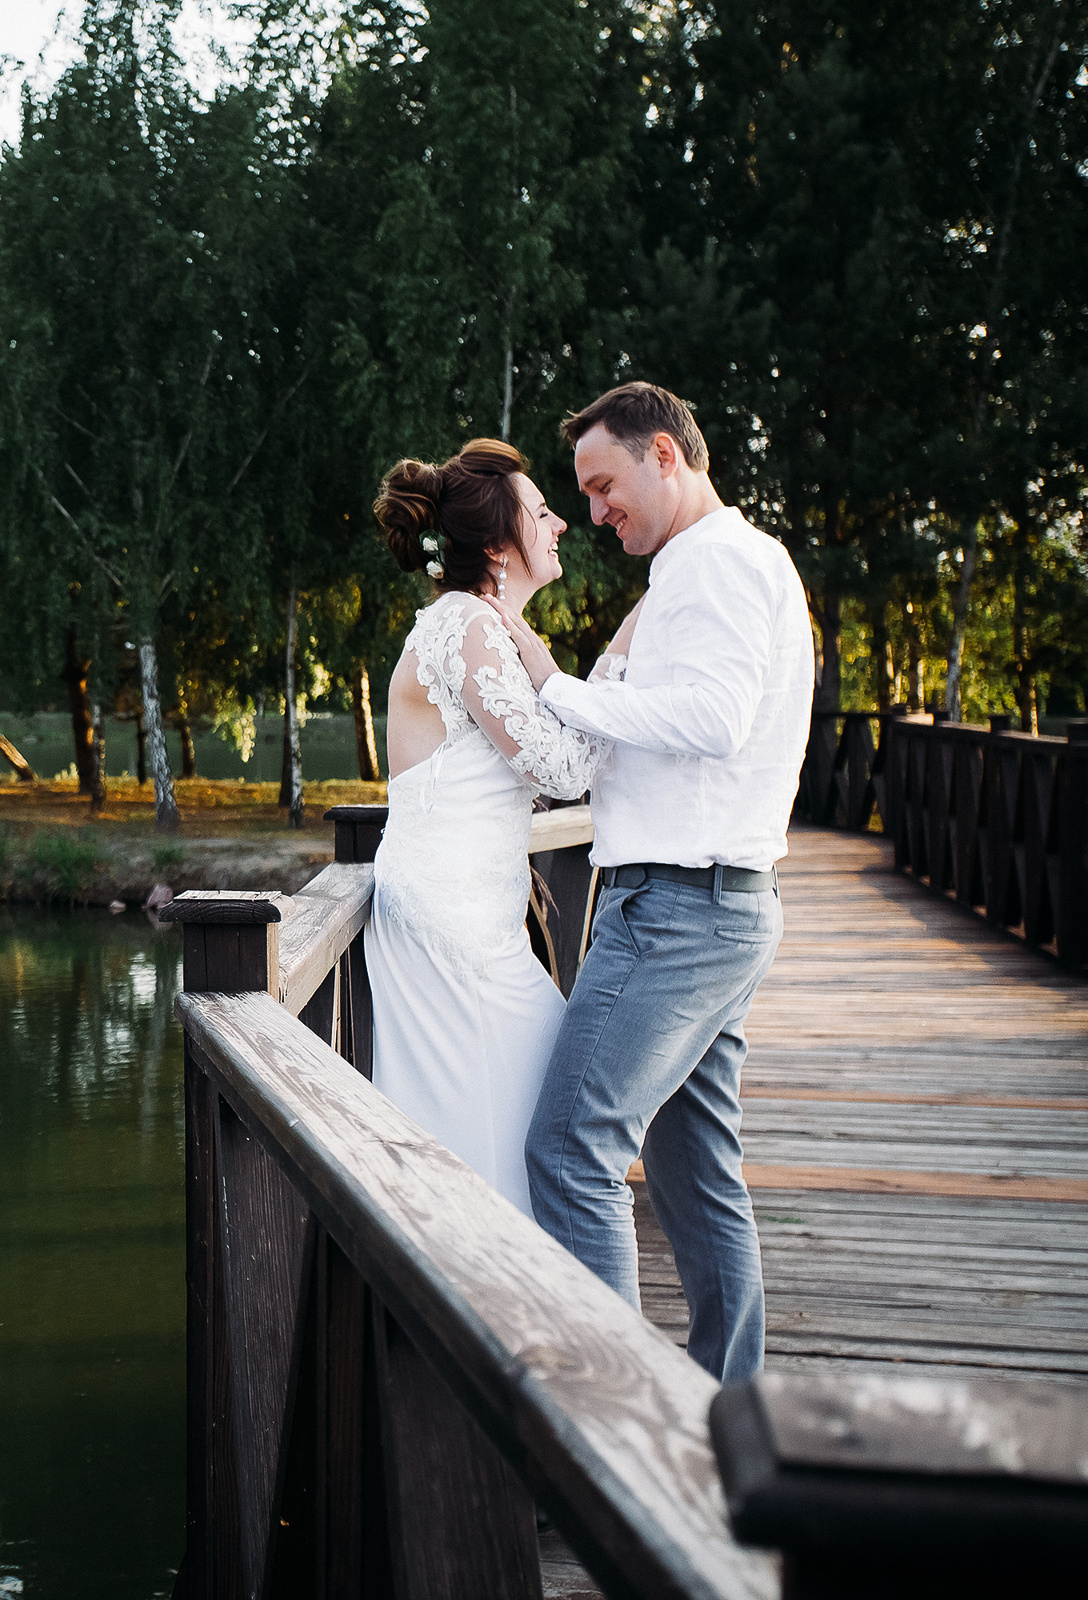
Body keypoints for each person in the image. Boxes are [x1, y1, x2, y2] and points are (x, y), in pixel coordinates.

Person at [493, 381, 811, 1384]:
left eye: (603, 483)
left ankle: (615, 1429)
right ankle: (727, 1412)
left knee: (569, 1149)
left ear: (665, 456)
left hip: (677, 909)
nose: (593, 511)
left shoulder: (714, 565)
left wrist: (554, 684)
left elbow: (713, 720)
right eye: (581, 495)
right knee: (696, 1173)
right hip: (714, 905)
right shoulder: (718, 565)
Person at [365, 439, 614, 1214]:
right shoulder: (467, 627)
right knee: (509, 1130)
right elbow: (563, 773)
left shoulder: (474, 624)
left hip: (471, 919)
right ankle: (497, 1306)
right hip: (453, 928)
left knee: (512, 1125)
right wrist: (609, 679)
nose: (561, 524)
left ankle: (497, 1298)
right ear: (502, 543)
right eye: (542, 512)